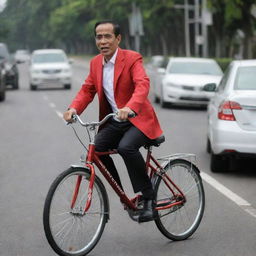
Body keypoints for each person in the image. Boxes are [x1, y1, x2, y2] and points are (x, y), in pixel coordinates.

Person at [63, 20, 163, 222]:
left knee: (126, 147)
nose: (103, 41)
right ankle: (124, 196)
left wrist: (130, 107)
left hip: (138, 119)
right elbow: (87, 90)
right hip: (116, 121)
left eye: (108, 36)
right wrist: (73, 108)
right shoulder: (95, 63)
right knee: (96, 150)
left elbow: (142, 84)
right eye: (99, 37)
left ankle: (149, 198)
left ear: (118, 39)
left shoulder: (132, 58)